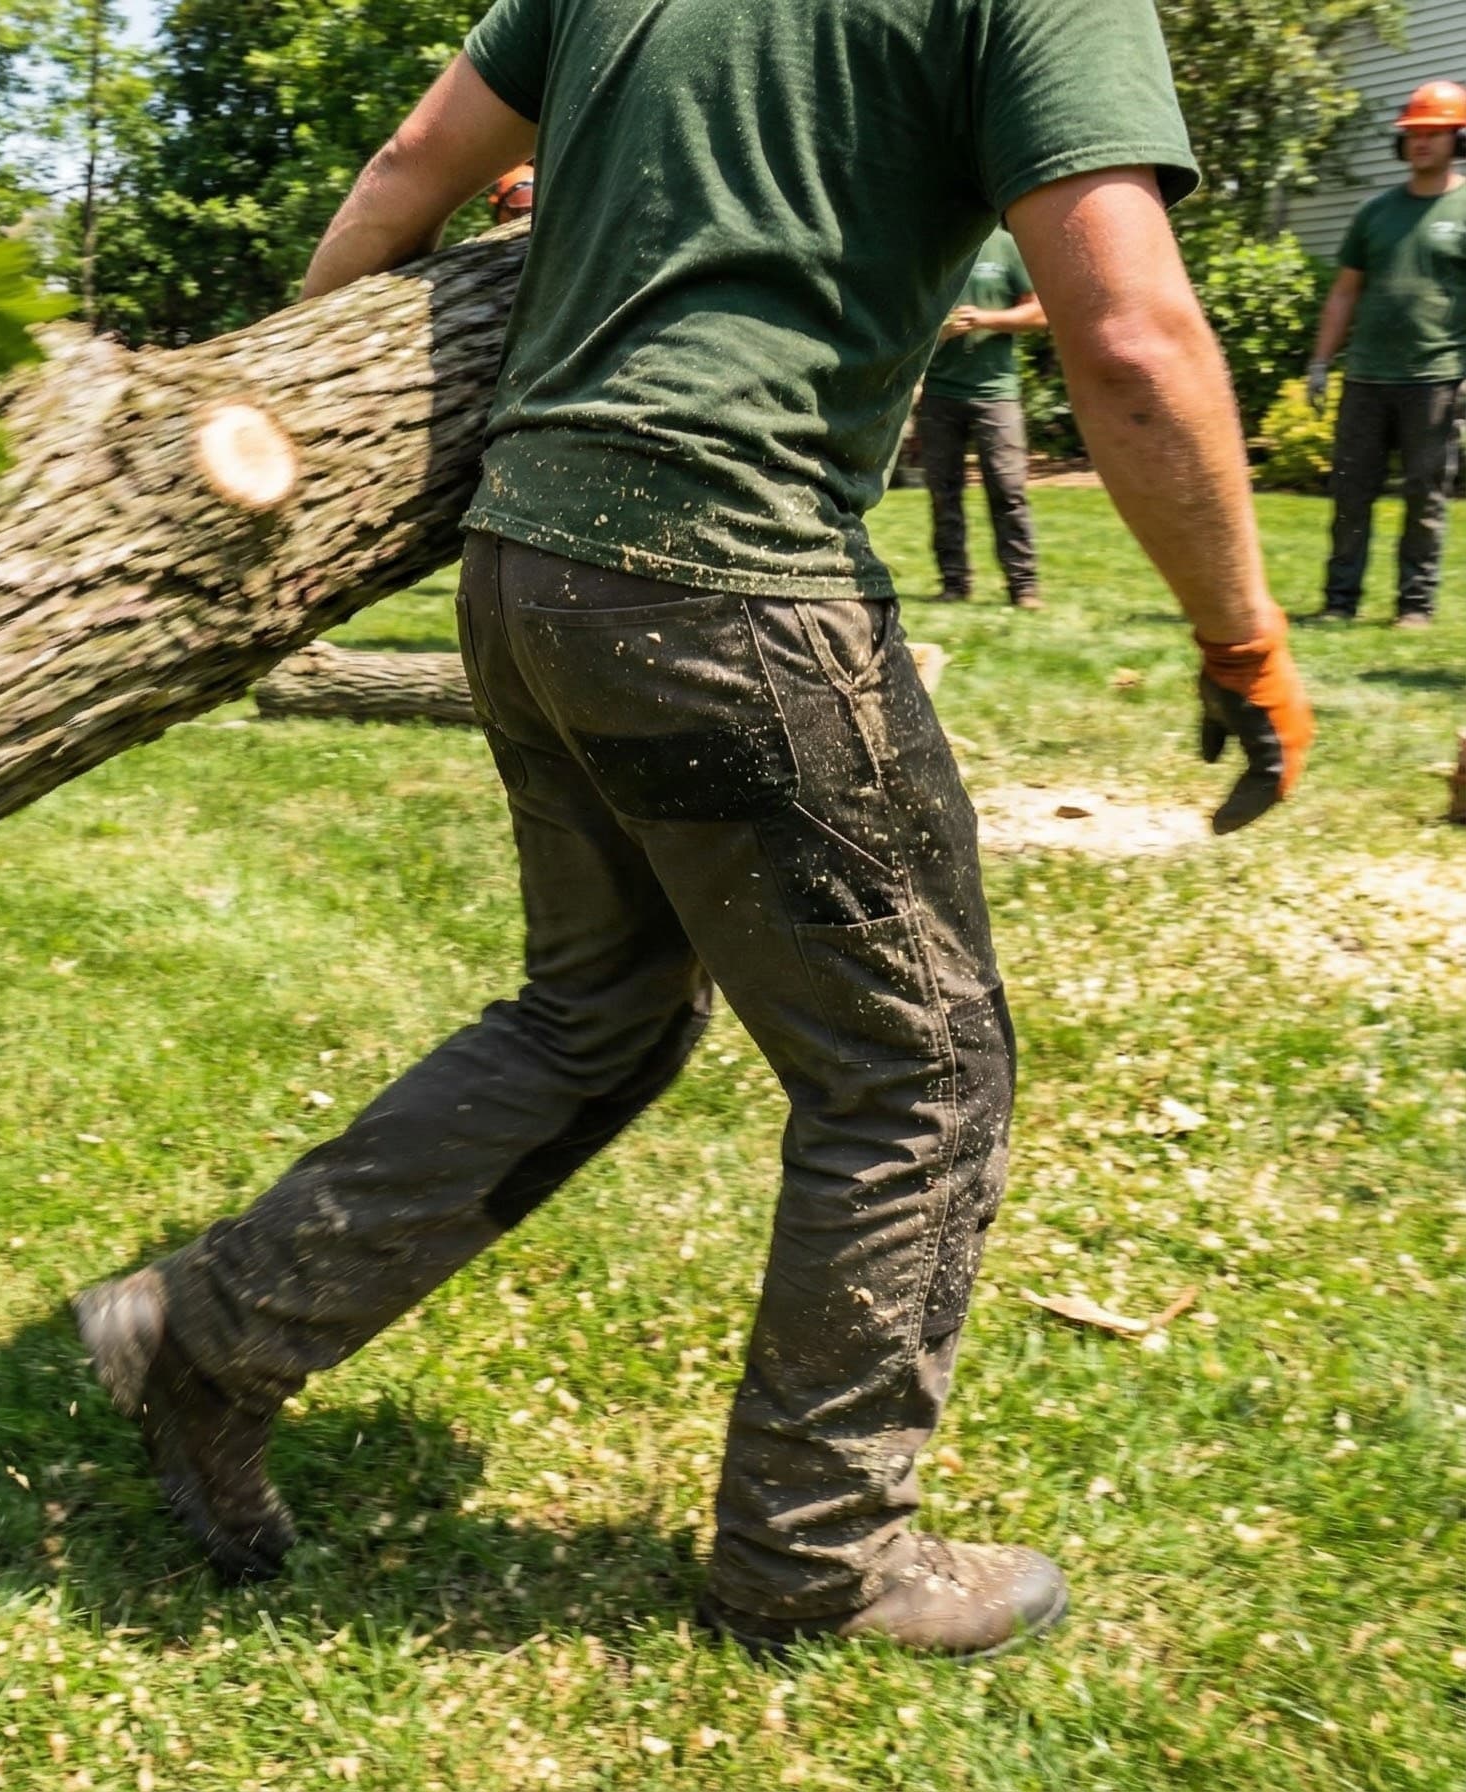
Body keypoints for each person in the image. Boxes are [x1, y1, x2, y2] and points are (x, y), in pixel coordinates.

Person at [76, 0, 1314, 1659]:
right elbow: (1137, 334)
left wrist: (325, 428)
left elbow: (403, 171)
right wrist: (1243, 633)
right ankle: (817, 1554)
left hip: (528, 568)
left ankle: (207, 1335)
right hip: (732, 582)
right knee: (918, 1073)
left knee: (595, 1014)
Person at [1307, 80, 1466, 630]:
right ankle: (1339, 601)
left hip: (1437, 378)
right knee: (1351, 491)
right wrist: (1321, 362)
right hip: (1367, 377)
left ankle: (1414, 606)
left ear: (1458, 138)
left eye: (1433, 132)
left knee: (1426, 496)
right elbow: (1345, 291)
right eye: (1412, 134)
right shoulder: (1374, 212)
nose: (1420, 143)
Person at [918, 230, 1048, 607]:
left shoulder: (1006, 245)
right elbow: (907, 320)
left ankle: (1023, 586)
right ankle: (954, 584)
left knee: (1008, 489)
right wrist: (937, 333)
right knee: (943, 494)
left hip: (997, 394)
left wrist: (986, 319)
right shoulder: (934, 246)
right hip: (940, 394)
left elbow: (1040, 313)